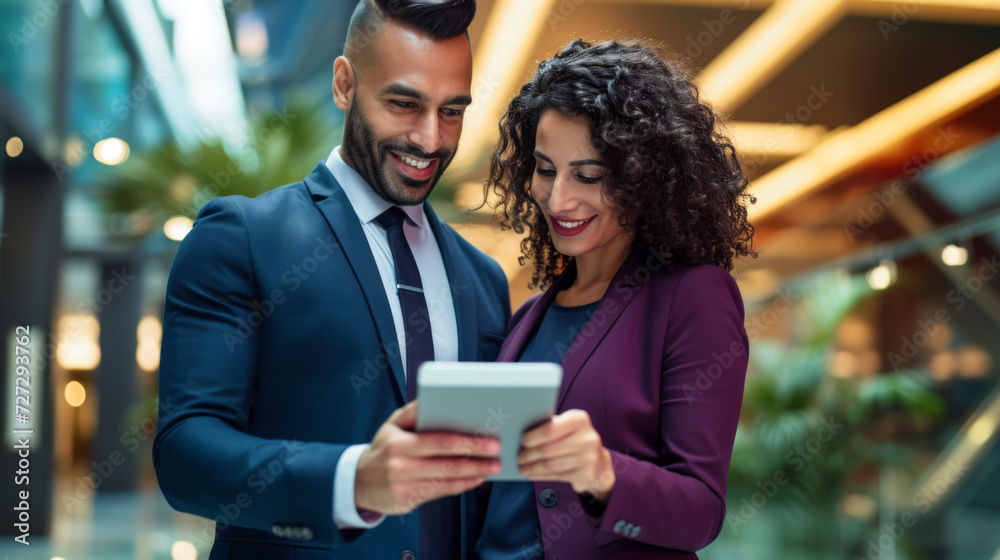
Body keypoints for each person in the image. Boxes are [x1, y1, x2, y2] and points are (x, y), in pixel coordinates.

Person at [153, 1, 510, 558]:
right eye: (403, 103)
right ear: (344, 84)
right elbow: (185, 454)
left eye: (452, 111)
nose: (430, 138)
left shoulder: (484, 278)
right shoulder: (243, 236)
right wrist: (354, 481)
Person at [471, 39, 757, 559]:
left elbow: (701, 510)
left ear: (643, 177)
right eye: (545, 168)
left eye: (588, 176)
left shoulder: (692, 298)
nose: (558, 199)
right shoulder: (527, 318)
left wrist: (601, 472)